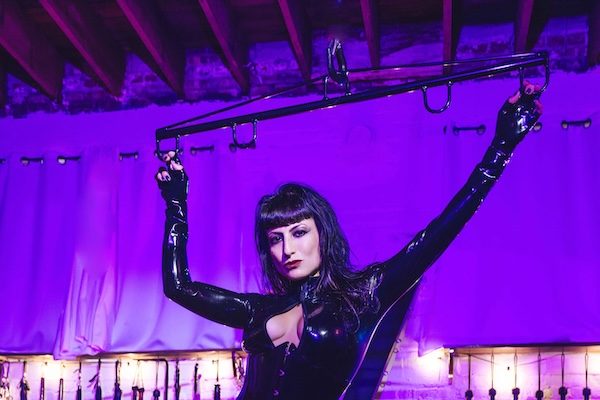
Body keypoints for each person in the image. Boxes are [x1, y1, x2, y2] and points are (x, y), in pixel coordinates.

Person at [156, 83, 543, 399]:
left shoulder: (363, 295)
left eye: (299, 232)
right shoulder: (257, 309)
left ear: (322, 234)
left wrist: (501, 148)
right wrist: (176, 204)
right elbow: (179, 287)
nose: (287, 249)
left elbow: (438, 234)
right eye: (275, 239)